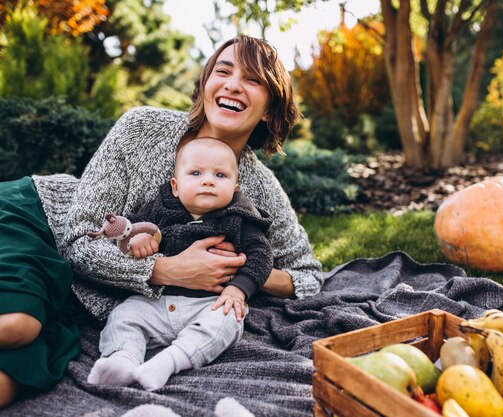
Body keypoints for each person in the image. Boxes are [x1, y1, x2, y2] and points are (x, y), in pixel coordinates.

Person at [0, 34, 323, 406]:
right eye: (223, 70)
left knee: (13, 379)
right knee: (17, 326)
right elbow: (78, 240)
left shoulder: (262, 190)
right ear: (205, 85)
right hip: (39, 222)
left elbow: (309, 275)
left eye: (253, 79)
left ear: (269, 107)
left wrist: (240, 270)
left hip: (84, 302)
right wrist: (168, 269)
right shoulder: (142, 128)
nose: (234, 84)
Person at [88, 138, 273, 391]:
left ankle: (170, 361)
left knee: (228, 320)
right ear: (175, 186)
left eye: (220, 175)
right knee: (123, 316)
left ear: (234, 186)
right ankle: (122, 360)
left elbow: (261, 255)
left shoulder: (240, 218)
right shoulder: (160, 208)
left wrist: (238, 289)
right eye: (196, 173)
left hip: (208, 303)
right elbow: (134, 229)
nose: (208, 181)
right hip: (155, 302)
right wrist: (138, 239)